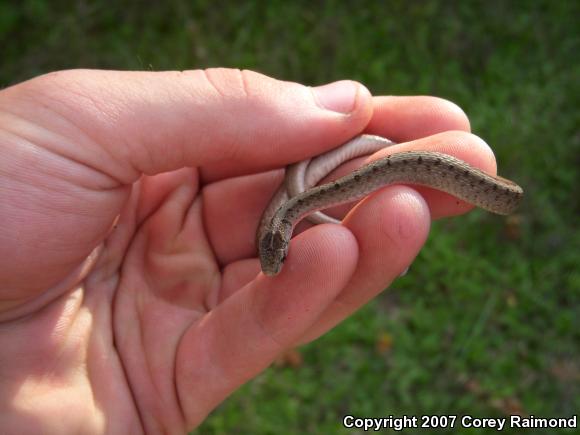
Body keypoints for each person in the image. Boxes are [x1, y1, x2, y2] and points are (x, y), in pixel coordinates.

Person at [0, 68, 496, 432]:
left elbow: (293, 210)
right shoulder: (283, 220)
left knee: (360, 214)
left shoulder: (290, 211)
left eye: (275, 254)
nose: (275, 263)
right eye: (274, 255)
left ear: (276, 237)